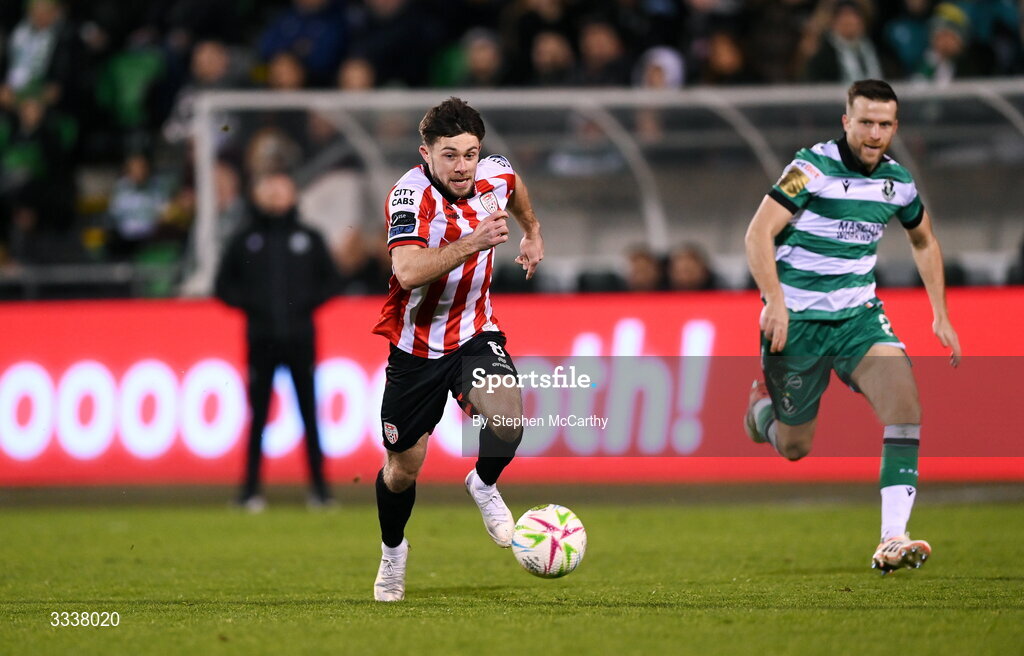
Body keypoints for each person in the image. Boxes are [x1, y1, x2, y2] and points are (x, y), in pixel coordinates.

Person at [742, 79, 961, 574]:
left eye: (884, 124)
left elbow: (924, 241)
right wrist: (774, 300)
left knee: (905, 403)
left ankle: (892, 537)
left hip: (859, 318)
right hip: (796, 323)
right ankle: (760, 414)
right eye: (865, 122)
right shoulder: (810, 169)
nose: (874, 133)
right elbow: (759, 232)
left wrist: (940, 313)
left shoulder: (898, 182)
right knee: (796, 446)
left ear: (895, 127)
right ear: (847, 121)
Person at [370, 97, 544, 601]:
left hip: (475, 333)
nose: (462, 166)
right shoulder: (409, 197)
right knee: (403, 470)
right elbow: (406, 271)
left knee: (508, 420)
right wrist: (474, 241)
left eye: (470, 153)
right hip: (416, 349)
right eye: (449, 155)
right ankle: (393, 554)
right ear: (425, 152)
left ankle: (483, 483)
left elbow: (515, 189)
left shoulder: (494, 175)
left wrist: (532, 231)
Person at [214, 172, 340, 511]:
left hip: (300, 338)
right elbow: (222, 286)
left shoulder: (308, 238)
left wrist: (304, 303)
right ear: (256, 195)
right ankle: (250, 491)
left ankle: (321, 490)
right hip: (261, 339)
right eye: (267, 188)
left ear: (293, 194)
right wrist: (253, 305)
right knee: (257, 416)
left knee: (309, 415)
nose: (274, 195)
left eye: (281, 188)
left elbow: (333, 281)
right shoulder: (245, 239)